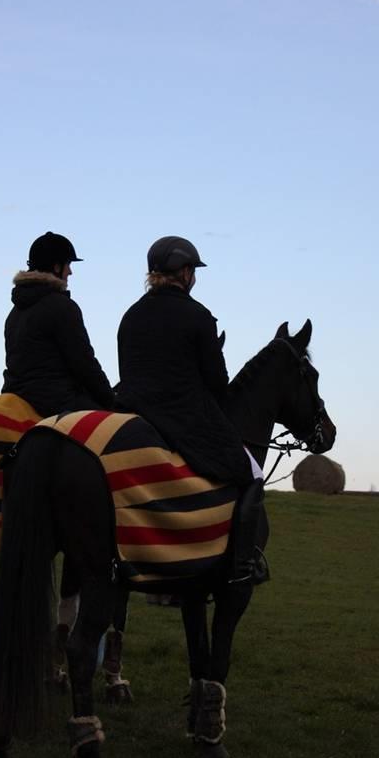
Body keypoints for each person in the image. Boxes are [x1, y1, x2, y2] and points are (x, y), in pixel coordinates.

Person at [116, 236, 268, 584]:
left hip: (131, 412)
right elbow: (217, 383)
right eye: (192, 270)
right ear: (184, 272)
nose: (194, 277)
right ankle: (242, 566)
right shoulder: (198, 316)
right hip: (183, 418)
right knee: (252, 474)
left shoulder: (131, 315)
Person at [2, 232, 115, 416]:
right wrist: (111, 400)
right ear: (56, 267)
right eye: (68, 265)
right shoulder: (62, 307)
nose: (70, 272)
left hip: (18, 395)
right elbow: (84, 364)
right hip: (56, 401)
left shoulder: (14, 314)